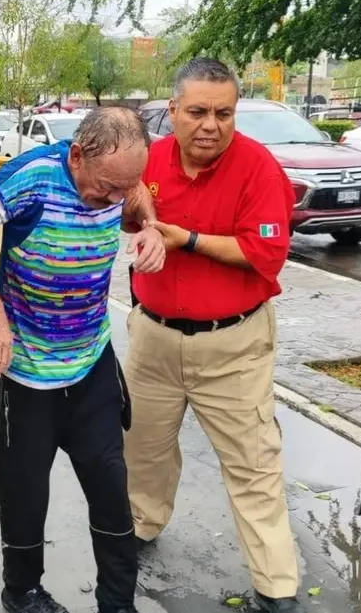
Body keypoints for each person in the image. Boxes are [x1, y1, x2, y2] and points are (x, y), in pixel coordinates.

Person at [0, 107, 167, 613]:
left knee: (110, 489)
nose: (114, 200)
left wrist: (148, 224)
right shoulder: (33, 177)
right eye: (105, 187)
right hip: (29, 372)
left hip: (92, 363)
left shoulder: (121, 183)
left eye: (125, 187)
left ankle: (118, 602)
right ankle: (23, 593)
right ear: (76, 155)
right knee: (25, 493)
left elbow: (137, 194)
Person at [123, 58, 300, 613]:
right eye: (197, 111)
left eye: (223, 113)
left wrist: (189, 238)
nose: (210, 124)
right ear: (172, 111)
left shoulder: (258, 169)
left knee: (253, 465)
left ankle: (277, 587)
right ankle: (140, 527)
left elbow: (264, 253)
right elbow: (119, 207)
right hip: (152, 339)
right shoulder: (147, 160)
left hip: (234, 347)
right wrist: (139, 211)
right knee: (142, 449)